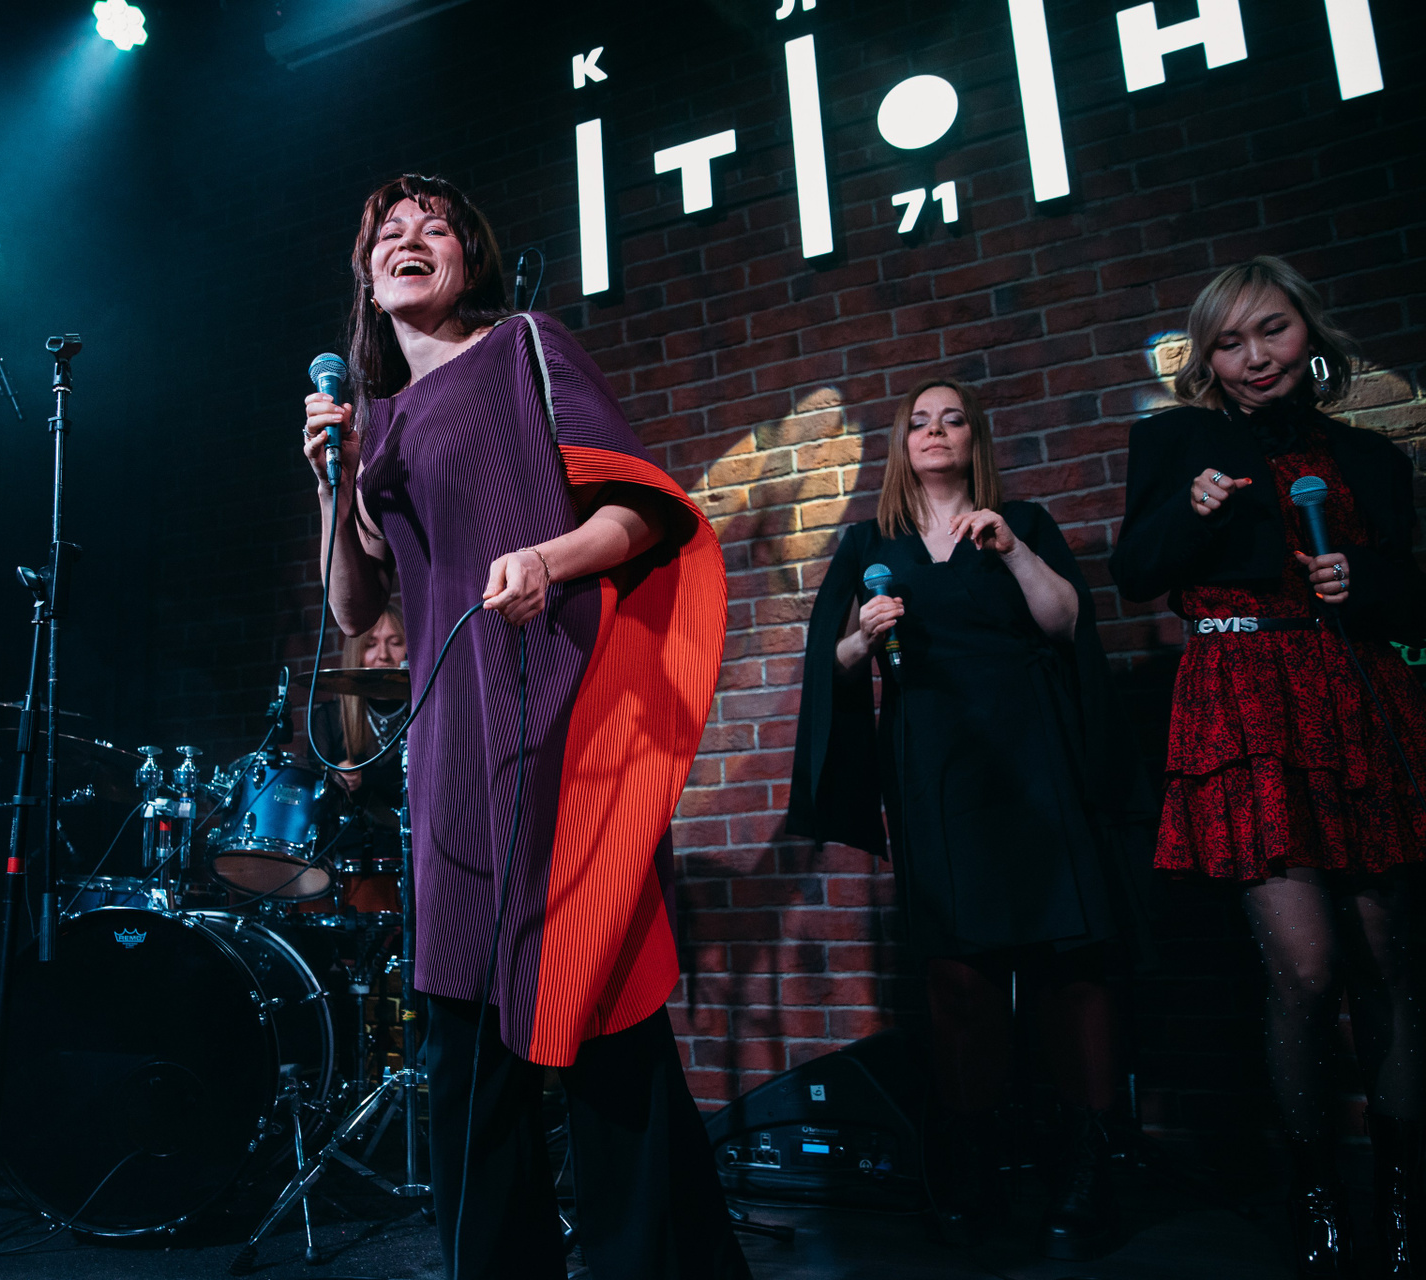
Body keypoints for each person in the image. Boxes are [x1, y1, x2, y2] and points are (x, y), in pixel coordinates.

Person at [302, 174, 745, 1279]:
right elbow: (355, 610)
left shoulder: (522, 347)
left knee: (599, 1008)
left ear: (469, 258)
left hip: (557, 703)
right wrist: (330, 484)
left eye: (435, 226)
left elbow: (641, 511)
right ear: (366, 273)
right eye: (389, 231)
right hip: (453, 738)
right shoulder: (377, 426)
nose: (410, 239)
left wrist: (549, 558)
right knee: (462, 1032)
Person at [787, 379, 1155, 1258]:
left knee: (1072, 967)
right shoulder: (868, 544)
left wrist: (1016, 552)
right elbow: (832, 664)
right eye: (919, 421)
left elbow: (1067, 624)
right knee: (960, 977)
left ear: (974, 438)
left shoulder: (1018, 521)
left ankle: (1090, 1171)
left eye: (952, 418)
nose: (935, 431)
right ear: (901, 445)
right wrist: (862, 635)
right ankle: (975, 1173)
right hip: (933, 767)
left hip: (1035, 760)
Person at [1110, 256, 1425, 1279]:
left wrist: (1362, 578)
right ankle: (1317, 1201)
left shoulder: (1370, 457)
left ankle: (1403, 1206)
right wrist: (1191, 510)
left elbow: (1412, 592)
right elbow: (1134, 571)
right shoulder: (1177, 441)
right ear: (1207, 358)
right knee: (1306, 965)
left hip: (1356, 699)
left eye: (1272, 331)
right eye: (1230, 342)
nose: (1254, 357)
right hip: (1244, 700)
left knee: (1387, 966)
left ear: (1309, 332)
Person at [309, 606, 408, 915]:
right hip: (349, 866)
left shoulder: (425, 713)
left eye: (395, 642)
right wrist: (334, 780)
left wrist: (367, 777)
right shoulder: (329, 719)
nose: (383, 655)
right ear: (356, 653)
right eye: (371, 644)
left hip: (414, 857)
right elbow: (311, 800)